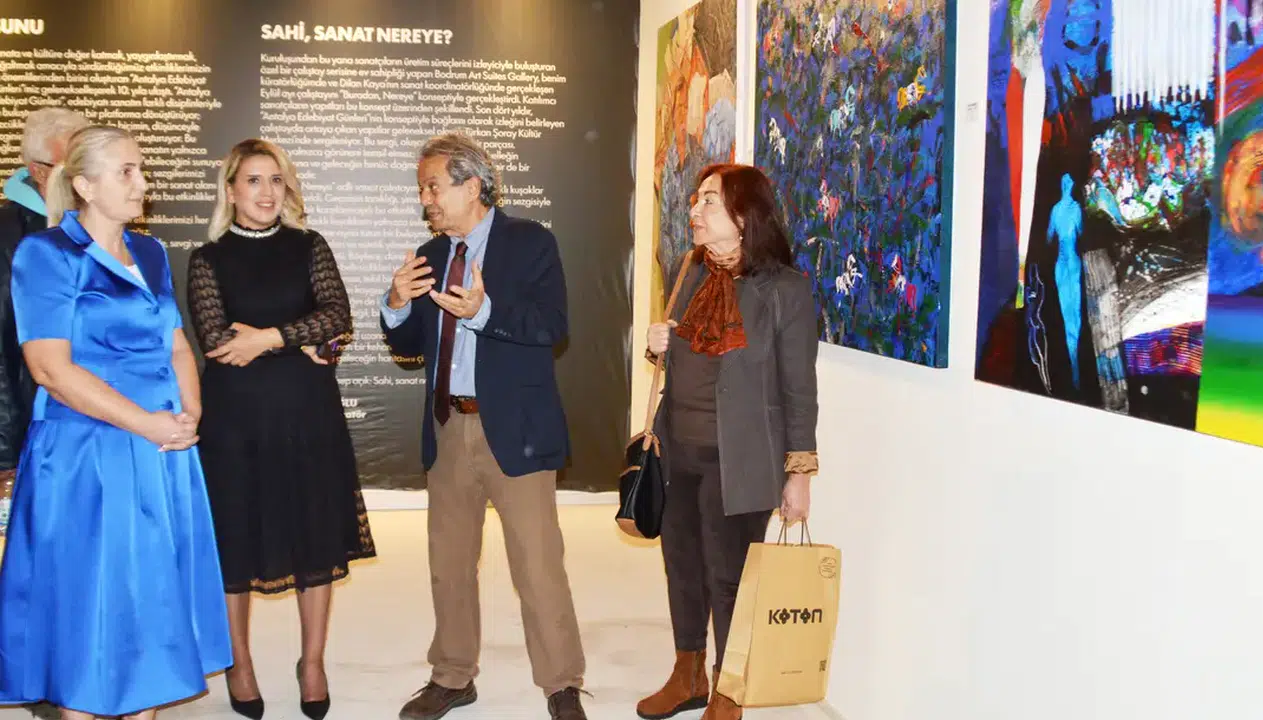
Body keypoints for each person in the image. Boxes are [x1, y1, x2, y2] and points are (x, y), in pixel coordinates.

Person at [0, 125, 232, 719]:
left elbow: (175, 344)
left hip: (160, 452)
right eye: (127, 171)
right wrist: (148, 424)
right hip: (86, 457)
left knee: (151, 607)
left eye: (141, 169)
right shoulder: (46, 255)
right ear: (83, 185)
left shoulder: (149, 252)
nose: (142, 183)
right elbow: (50, 369)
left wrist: (188, 415)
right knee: (88, 612)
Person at [380, 132, 589, 720]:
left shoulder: (530, 243)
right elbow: (409, 345)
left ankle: (561, 683)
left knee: (537, 564)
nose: (425, 198)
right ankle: (452, 676)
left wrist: (484, 311)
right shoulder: (430, 255)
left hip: (516, 429)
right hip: (449, 429)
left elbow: (552, 326)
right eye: (422, 188)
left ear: (472, 186)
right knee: (449, 564)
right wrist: (396, 303)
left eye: (433, 187)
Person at [186, 138, 375, 720]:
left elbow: (338, 316)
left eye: (275, 180)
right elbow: (217, 340)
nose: (267, 192)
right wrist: (301, 338)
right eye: (253, 180)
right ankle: (239, 663)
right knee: (235, 537)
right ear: (231, 190)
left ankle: (312, 662)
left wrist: (267, 338)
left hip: (307, 414)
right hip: (234, 421)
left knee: (315, 533)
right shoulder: (207, 258)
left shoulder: (309, 245)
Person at [637, 163, 819, 720]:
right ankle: (688, 674)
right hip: (678, 448)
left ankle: (729, 688)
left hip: (739, 459)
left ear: (743, 216)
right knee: (682, 568)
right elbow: (679, 353)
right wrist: (656, 344)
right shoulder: (690, 270)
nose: (694, 210)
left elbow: (799, 389)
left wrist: (799, 473)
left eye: (709, 201)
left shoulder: (784, 289)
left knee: (730, 579)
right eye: (696, 199)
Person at [0, 107, 89, 497]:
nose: (84, 176)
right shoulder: (8, 234)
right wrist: (6, 454)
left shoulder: (96, 228)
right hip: (36, 427)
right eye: (72, 166)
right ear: (38, 171)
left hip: (95, 418)